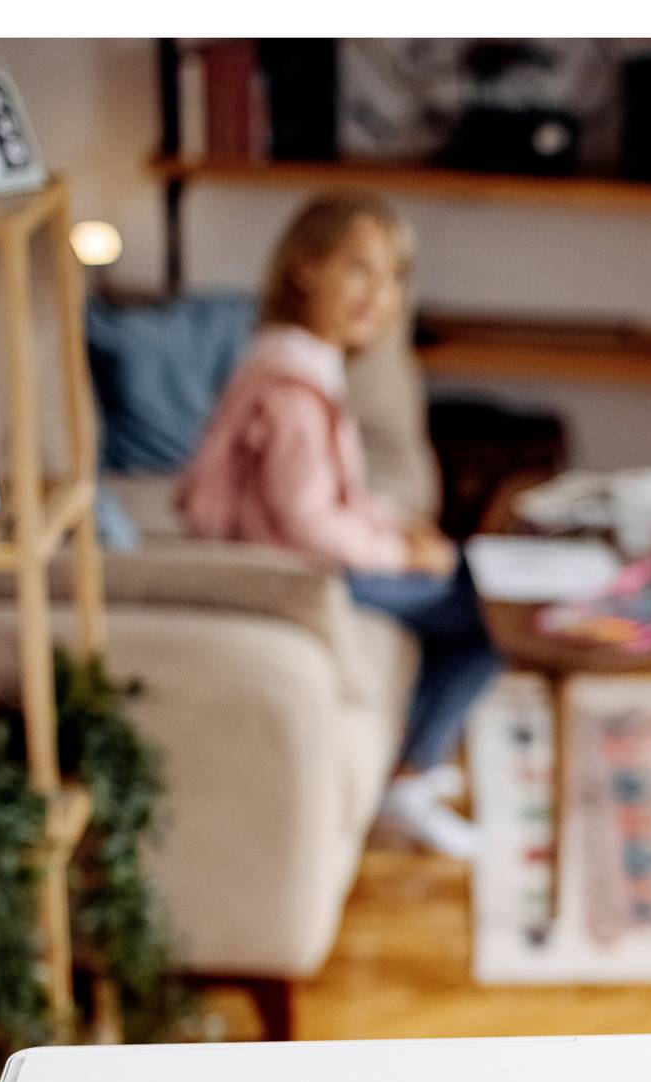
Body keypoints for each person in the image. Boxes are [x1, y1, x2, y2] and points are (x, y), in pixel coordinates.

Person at [177, 192, 500, 857]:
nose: (377, 296)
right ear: (304, 267)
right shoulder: (294, 383)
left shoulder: (297, 360)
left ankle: (417, 765)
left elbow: (337, 493)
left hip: (301, 552)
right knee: (488, 615)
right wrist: (400, 554)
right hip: (291, 570)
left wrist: (402, 530)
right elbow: (306, 522)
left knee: (466, 576)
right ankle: (409, 780)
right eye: (358, 270)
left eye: (392, 280)